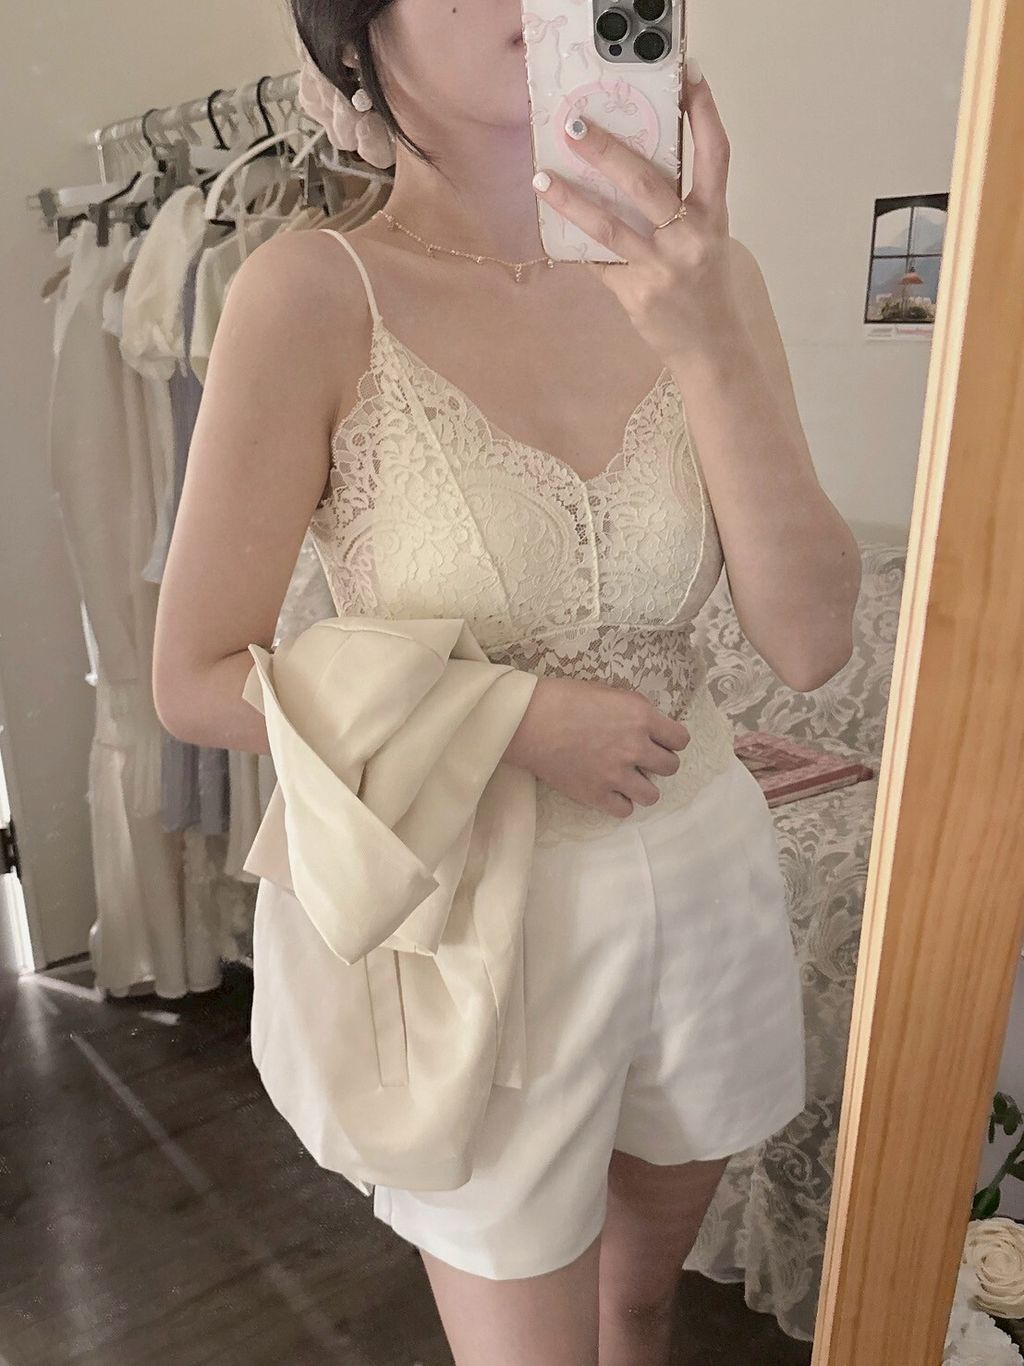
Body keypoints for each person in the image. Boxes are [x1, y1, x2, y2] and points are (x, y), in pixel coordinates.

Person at [153, 3, 861, 1362]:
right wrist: (510, 718)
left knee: (641, 1308)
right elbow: (194, 678)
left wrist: (708, 336)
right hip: (471, 919)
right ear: (356, 38)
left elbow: (811, 641)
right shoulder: (310, 294)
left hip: (702, 871)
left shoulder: (703, 278)